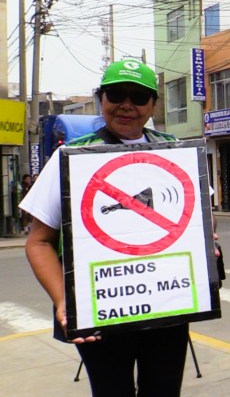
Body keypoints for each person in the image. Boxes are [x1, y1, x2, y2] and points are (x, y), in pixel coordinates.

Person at [21, 59, 187, 397]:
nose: (127, 105)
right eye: (117, 94)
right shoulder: (72, 157)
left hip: (168, 304)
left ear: (153, 105)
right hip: (101, 308)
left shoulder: (175, 150)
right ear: (102, 99)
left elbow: (197, 221)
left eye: (139, 97)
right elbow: (39, 242)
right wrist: (63, 302)